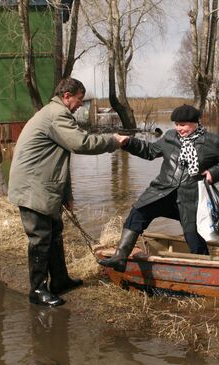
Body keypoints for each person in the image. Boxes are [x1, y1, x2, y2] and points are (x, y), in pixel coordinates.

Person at [9, 78, 129, 306]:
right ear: (66, 96)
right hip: (33, 188)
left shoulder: (53, 113)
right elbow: (80, 143)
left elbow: (60, 161)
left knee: (54, 232)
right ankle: (37, 290)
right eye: (79, 100)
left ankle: (60, 281)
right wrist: (113, 141)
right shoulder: (57, 114)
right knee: (40, 238)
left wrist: (67, 196)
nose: (79, 106)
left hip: (43, 185)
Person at [98, 104, 219, 273]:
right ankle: (120, 258)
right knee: (138, 213)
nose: (179, 128)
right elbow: (149, 151)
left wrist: (213, 173)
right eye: (177, 124)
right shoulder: (170, 137)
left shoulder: (212, 141)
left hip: (191, 198)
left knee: (194, 236)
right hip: (162, 192)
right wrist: (128, 142)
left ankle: (205, 272)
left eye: (183, 124)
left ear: (195, 123)